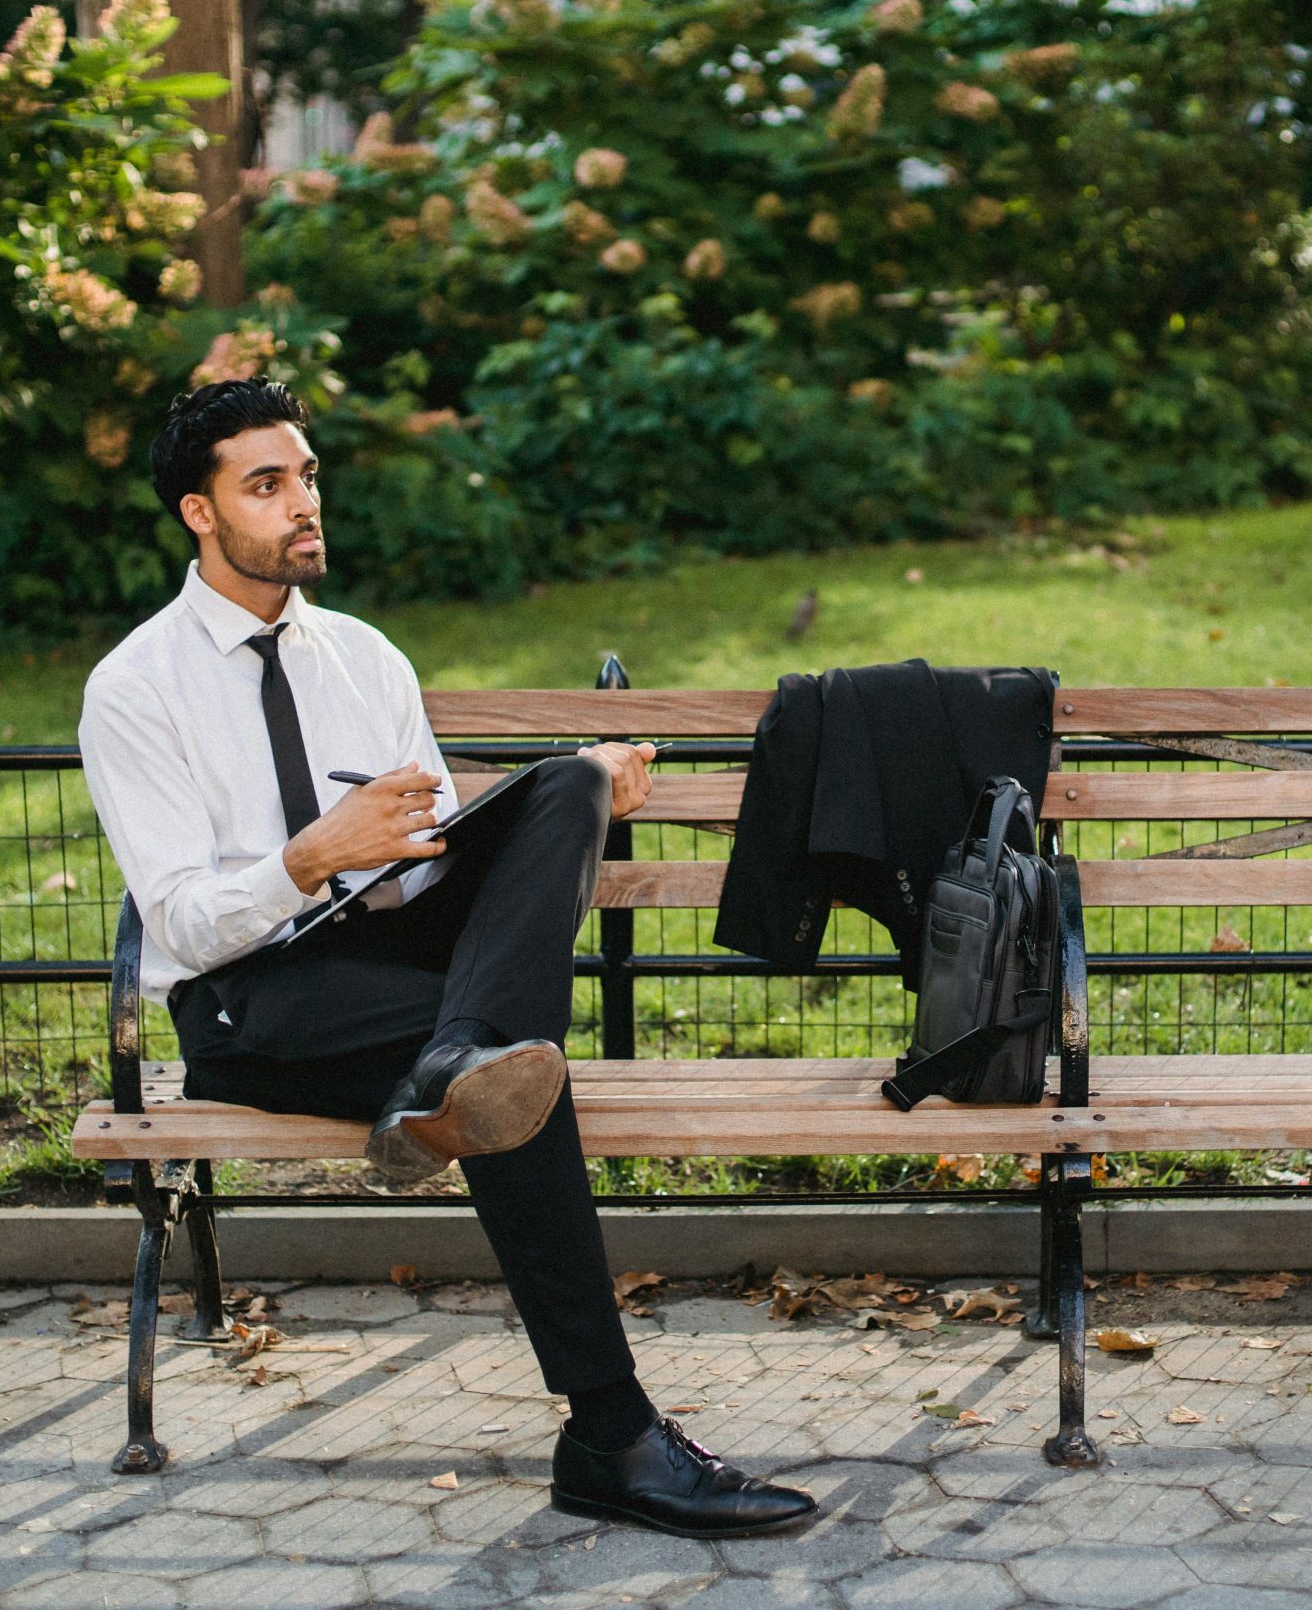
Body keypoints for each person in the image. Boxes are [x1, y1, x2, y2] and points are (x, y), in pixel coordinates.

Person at [76, 377, 814, 1538]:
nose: (302, 503)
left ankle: (466, 1059)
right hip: (252, 1005)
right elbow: (179, 925)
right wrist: (314, 857)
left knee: (567, 782)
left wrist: (451, 838)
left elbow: (422, 872)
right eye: (265, 484)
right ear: (199, 514)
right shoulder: (134, 689)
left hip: (395, 965)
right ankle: (610, 1435)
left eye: (307, 476)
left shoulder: (364, 657)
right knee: (517, 1081)